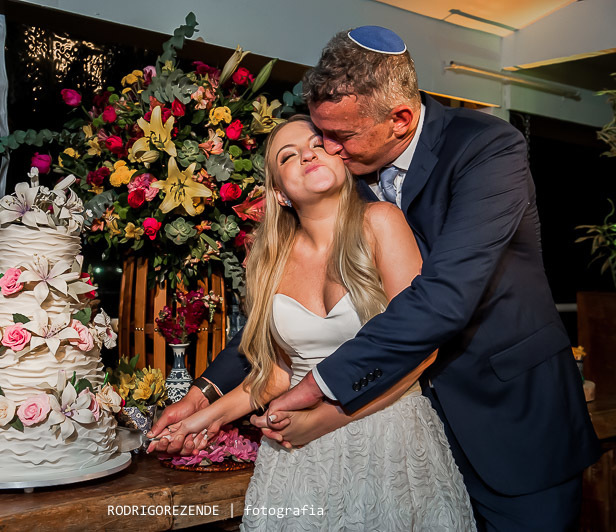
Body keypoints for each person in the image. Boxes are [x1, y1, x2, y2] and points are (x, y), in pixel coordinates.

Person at [150, 26, 601, 530]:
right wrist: (206, 391)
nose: (328, 151)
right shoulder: (351, 174)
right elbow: (276, 320)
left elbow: (444, 298)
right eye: (321, 137)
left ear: (400, 120)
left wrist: (318, 386)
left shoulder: (486, 149)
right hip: (409, 428)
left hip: (511, 420)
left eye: (339, 137)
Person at [153, 114, 475, 530]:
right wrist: (198, 419)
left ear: (342, 158)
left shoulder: (381, 222)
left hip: (389, 437)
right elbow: (275, 377)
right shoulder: (268, 263)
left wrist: (326, 417)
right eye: (289, 156)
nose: (308, 154)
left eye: (318, 144)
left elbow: (423, 348)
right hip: (298, 458)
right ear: (281, 193)